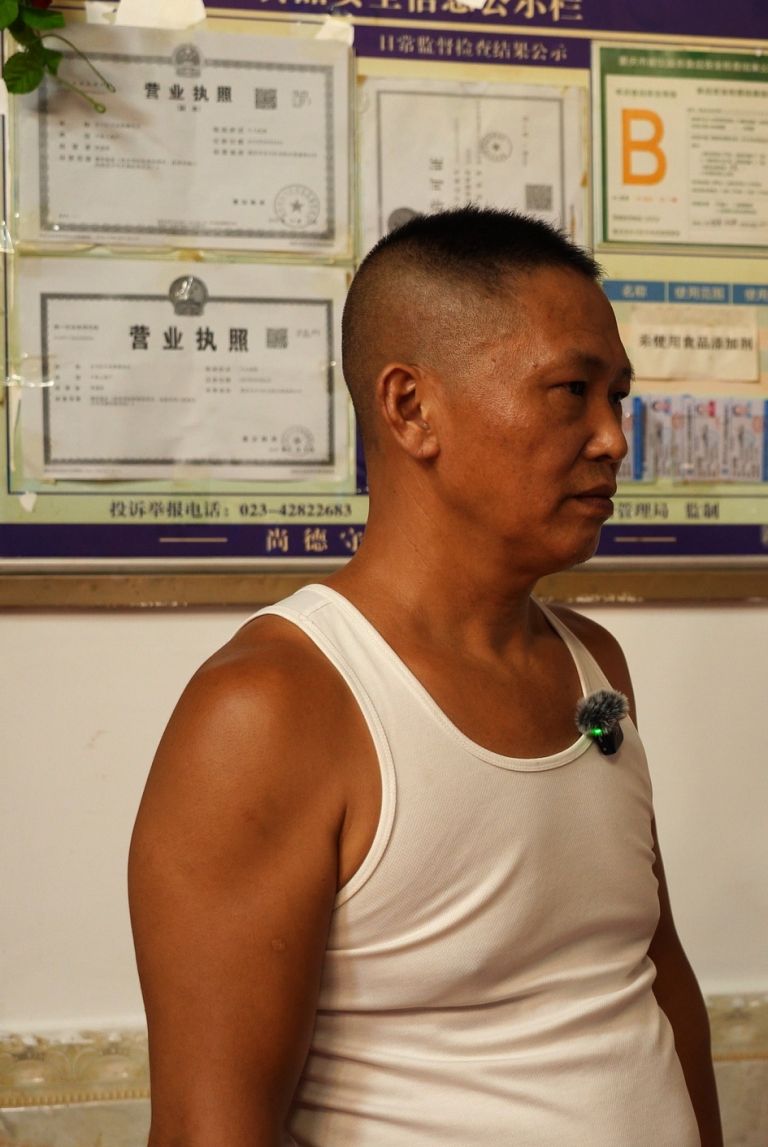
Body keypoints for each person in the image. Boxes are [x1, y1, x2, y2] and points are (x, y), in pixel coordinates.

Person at [130, 207, 721, 1146]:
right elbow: (212, 1128)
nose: (613, 438)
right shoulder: (273, 708)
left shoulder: (593, 666)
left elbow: (653, 977)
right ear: (411, 409)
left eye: (618, 396)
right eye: (571, 391)